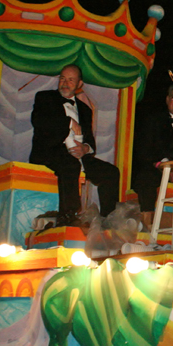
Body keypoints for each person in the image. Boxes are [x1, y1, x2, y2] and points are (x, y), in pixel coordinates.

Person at [29, 64, 121, 227]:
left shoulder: (85, 109)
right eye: (62, 78)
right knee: (69, 164)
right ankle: (68, 215)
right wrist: (68, 122)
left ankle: (108, 219)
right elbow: (39, 122)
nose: (65, 83)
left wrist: (85, 148)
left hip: (77, 156)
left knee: (111, 172)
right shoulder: (44, 97)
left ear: (79, 85)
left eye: (71, 80)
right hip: (50, 152)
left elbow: (90, 141)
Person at [131, 84, 173, 226]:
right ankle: (147, 224)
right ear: (166, 100)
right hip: (156, 167)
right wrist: (163, 165)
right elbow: (144, 149)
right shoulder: (153, 120)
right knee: (145, 178)